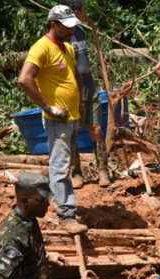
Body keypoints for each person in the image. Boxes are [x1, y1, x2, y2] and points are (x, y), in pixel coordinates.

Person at [17, 5, 86, 234]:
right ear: (53, 24)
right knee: (60, 167)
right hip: (57, 119)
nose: (70, 30)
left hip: (71, 117)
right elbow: (24, 79)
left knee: (62, 163)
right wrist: (48, 107)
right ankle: (66, 215)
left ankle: (46, 199)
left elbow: (71, 79)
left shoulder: (66, 47)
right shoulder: (41, 47)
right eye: (66, 27)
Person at [59, 0, 110, 188]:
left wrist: (90, 22)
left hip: (89, 86)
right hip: (70, 90)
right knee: (72, 132)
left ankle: (103, 170)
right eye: (81, 10)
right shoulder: (60, 37)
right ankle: (76, 172)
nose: (83, 13)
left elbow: (93, 34)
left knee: (96, 129)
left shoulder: (81, 31)